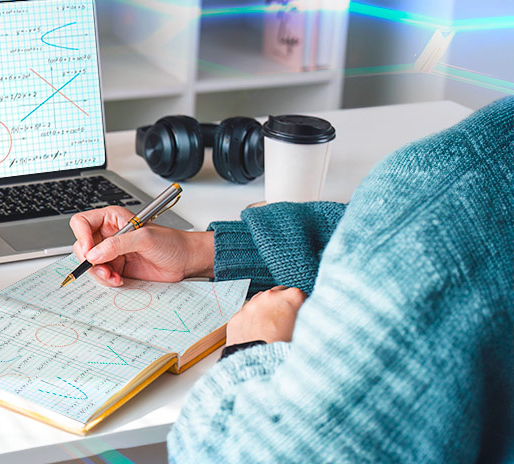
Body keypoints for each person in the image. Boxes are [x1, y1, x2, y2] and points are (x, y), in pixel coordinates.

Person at [70, 97, 514, 462]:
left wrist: (253, 350)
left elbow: (247, 453)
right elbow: (371, 240)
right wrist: (203, 252)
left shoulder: (441, 185)